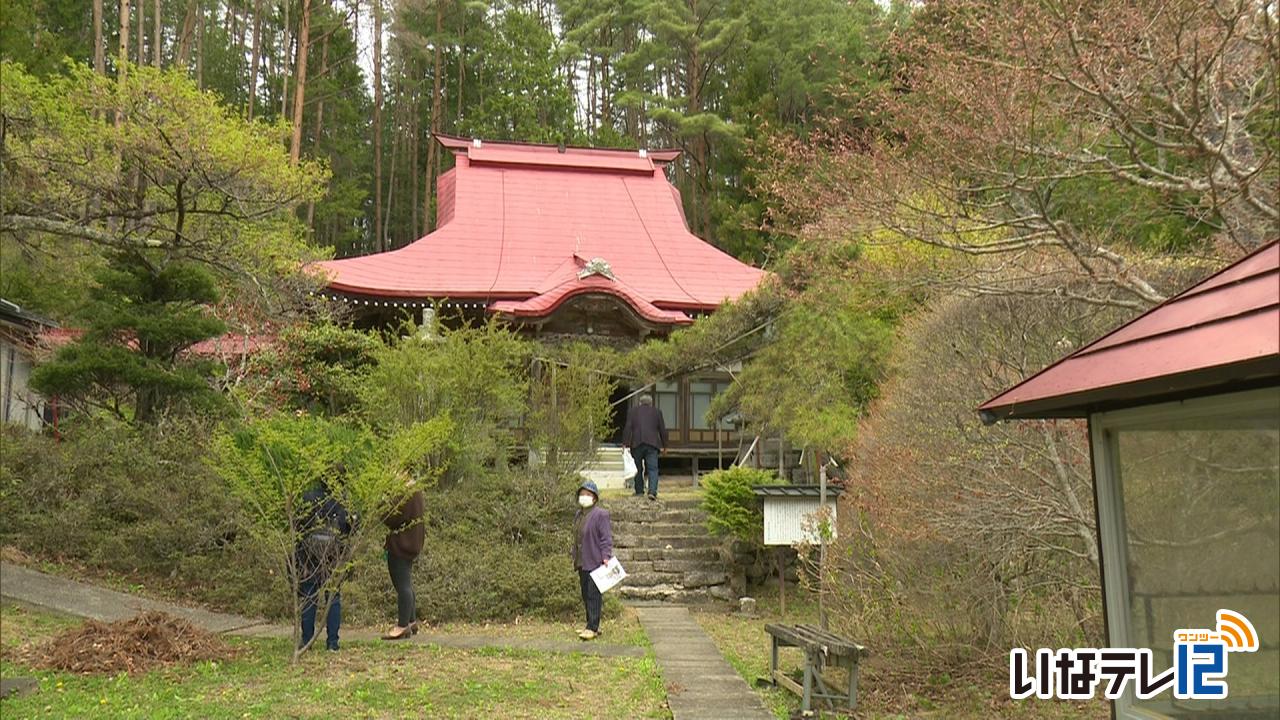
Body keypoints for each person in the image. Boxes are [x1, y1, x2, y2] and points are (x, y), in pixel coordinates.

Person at [296, 481, 351, 652]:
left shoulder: (307, 497)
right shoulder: (342, 502)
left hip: (308, 556)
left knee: (309, 597)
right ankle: (332, 642)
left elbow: (298, 526)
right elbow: (349, 529)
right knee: (333, 598)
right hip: (333, 557)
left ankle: (306, 641)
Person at [382, 479, 425, 640]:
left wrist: (382, 505)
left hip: (402, 543)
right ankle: (411, 620)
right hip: (413, 541)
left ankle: (402, 625)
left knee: (402, 585)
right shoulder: (417, 490)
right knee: (406, 581)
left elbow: (391, 517)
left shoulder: (404, 494)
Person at [572, 480, 613, 640]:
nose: (584, 497)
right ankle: (590, 623)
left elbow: (606, 538)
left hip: (595, 560)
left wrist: (605, 556)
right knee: (585, 592)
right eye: (582, 494)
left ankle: (593, 627)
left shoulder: (600, 514)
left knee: (593, 594)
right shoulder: (579, 514)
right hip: (582, 559)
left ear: (595, 498)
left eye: (588, 494)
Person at [622, 393, 667, 500]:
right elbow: (662, 430)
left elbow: (628, 428)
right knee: (653, 468)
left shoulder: (633, 412)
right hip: (652, 444)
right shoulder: (657, 412)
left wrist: (625, 443)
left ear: (640, 402)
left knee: (638, 468)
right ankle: (652, 491)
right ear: (651, 403)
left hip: (636, 443)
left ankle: (639, 491)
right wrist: (665, 446)